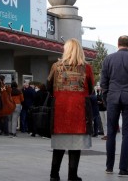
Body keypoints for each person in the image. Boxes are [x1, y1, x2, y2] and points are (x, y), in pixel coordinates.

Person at [47, 38, 94, 181]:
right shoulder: (86, 68)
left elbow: (49, 87)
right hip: (79, 110)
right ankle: (72, 175)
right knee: (75, 146)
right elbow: (91, 89)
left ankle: (54, 175)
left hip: (60, 110)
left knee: (59, 146)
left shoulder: (56, 66)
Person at [100, 35, 128, 177]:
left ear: (118, 43)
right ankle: (123, 168)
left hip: (113, 97)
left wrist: (106, 97)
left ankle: (109, 167)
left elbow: (103, 82)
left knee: (111, 133)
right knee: (127, 134)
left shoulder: (108, 59)